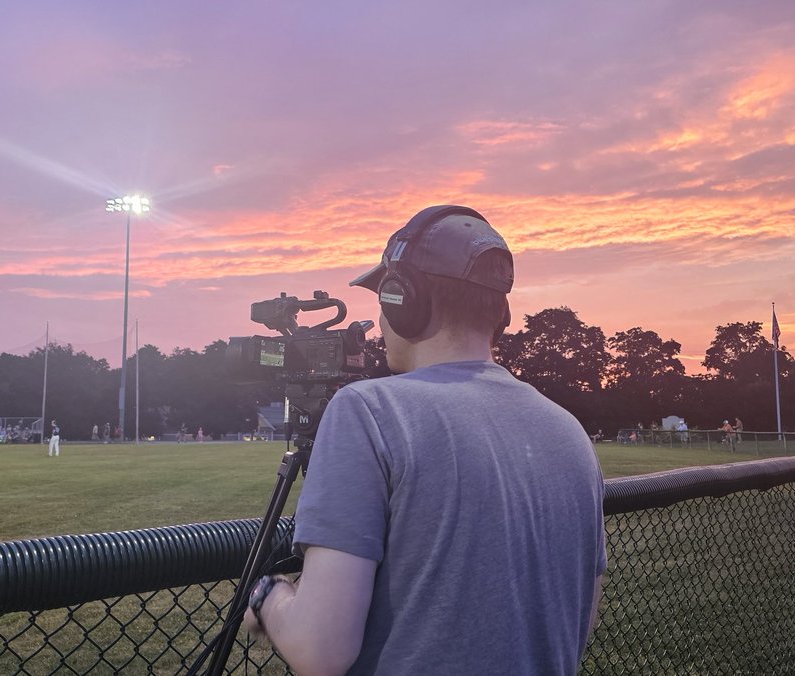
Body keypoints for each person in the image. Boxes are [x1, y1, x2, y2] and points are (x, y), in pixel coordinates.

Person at [243, 205, 606, 675]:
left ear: (404, 299)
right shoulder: (567, 430)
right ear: (500, 313)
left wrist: (268, 594)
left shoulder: (369, 411)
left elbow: (320, 650)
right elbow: (580, 617)